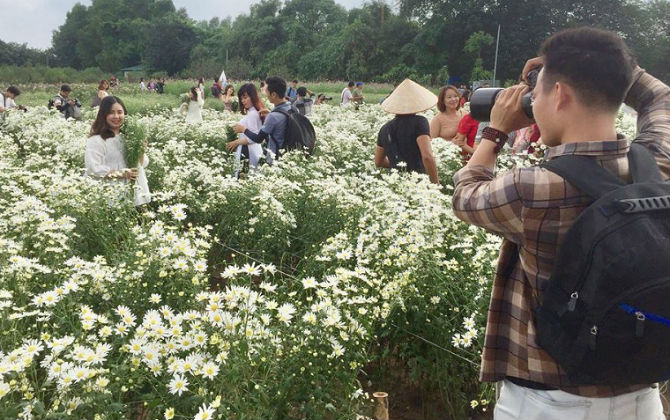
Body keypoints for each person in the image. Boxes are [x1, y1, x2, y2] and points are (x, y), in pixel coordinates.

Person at [452, 27, 668, 420]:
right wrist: (606, 65)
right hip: (643, 400)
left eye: (538, 92)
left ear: (559, 94)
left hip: (550, 403)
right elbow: (659, 97)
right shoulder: (657, 165)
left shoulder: (534, 188)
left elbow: (466, 194)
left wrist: (496, 129)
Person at [85, 96, 151, 205]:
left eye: (120, 112)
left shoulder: (130, 135)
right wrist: (122, 173)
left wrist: (141, 151)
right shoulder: (97, 140)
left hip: (137, 191)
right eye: (111, 113)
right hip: (112, 192)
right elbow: (93, 168)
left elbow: (141, 165)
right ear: (104, 115)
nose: (116, 116)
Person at [375, 78, 439, 184]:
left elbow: (378, 162)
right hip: (418, 181)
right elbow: (427, 156)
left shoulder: (384, 128)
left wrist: (396, 166)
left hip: (394, 183)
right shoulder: (420, 122)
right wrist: (435, 183)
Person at [233, 76, 291, 165]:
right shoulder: (291, 108)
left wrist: (243, 129)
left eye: (266, 91)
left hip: (275, 158)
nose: (265, 94)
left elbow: (258, 139)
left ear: (274, 94)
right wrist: (270, 113)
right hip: (290, 155)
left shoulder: (273, 116)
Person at [226, 83, 267, 174]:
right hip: (253, 150)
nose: (243, 101)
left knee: (244, 177)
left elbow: (254, 138)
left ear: (253, 97)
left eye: (245, 97)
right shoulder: (254, 111)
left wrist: (236, 142)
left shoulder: (253, 113)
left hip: (248, 151)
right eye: (241, 98)